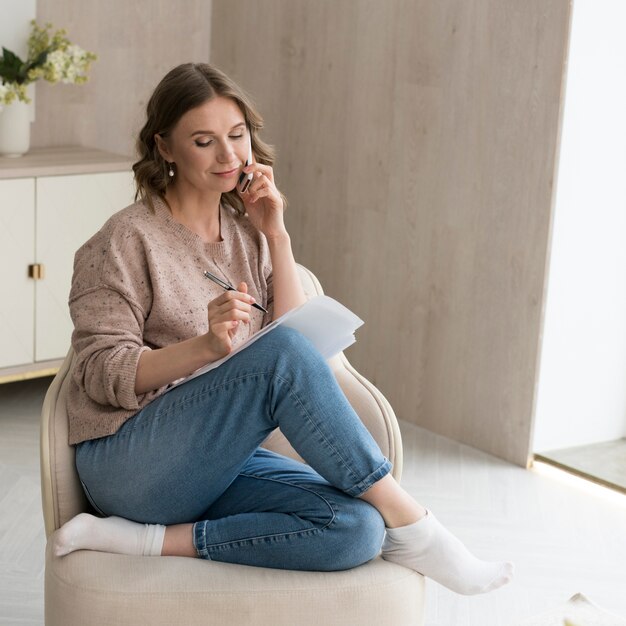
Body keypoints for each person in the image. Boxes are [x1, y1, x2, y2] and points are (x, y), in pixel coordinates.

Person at [52, 62, 513, 595]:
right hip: (131, 465)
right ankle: (417, 524)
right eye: (204, 141)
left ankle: (145, 541)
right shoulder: (123, 241)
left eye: (237, 135)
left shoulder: (248, 235)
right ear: (165, 147)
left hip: (213, 464)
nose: (228, 156)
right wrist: (205, 346)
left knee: (356, 530)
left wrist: (276, 233)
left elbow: (295, 338)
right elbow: (98, 372)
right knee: (285, 360)